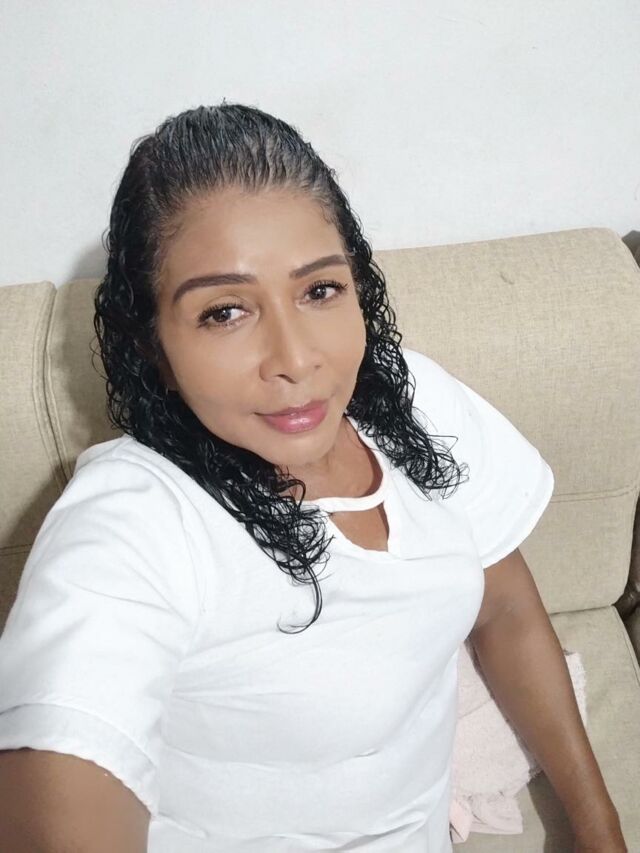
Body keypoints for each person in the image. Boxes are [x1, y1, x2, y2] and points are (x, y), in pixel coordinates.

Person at [0, 103, 606, 852]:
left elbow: (505, 608)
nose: (295, 359)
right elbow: (64, 758)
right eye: (225, 311)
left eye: (319, 291)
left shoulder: (413, 399)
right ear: (153, 346)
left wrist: (600, 831)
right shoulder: (135, 516)